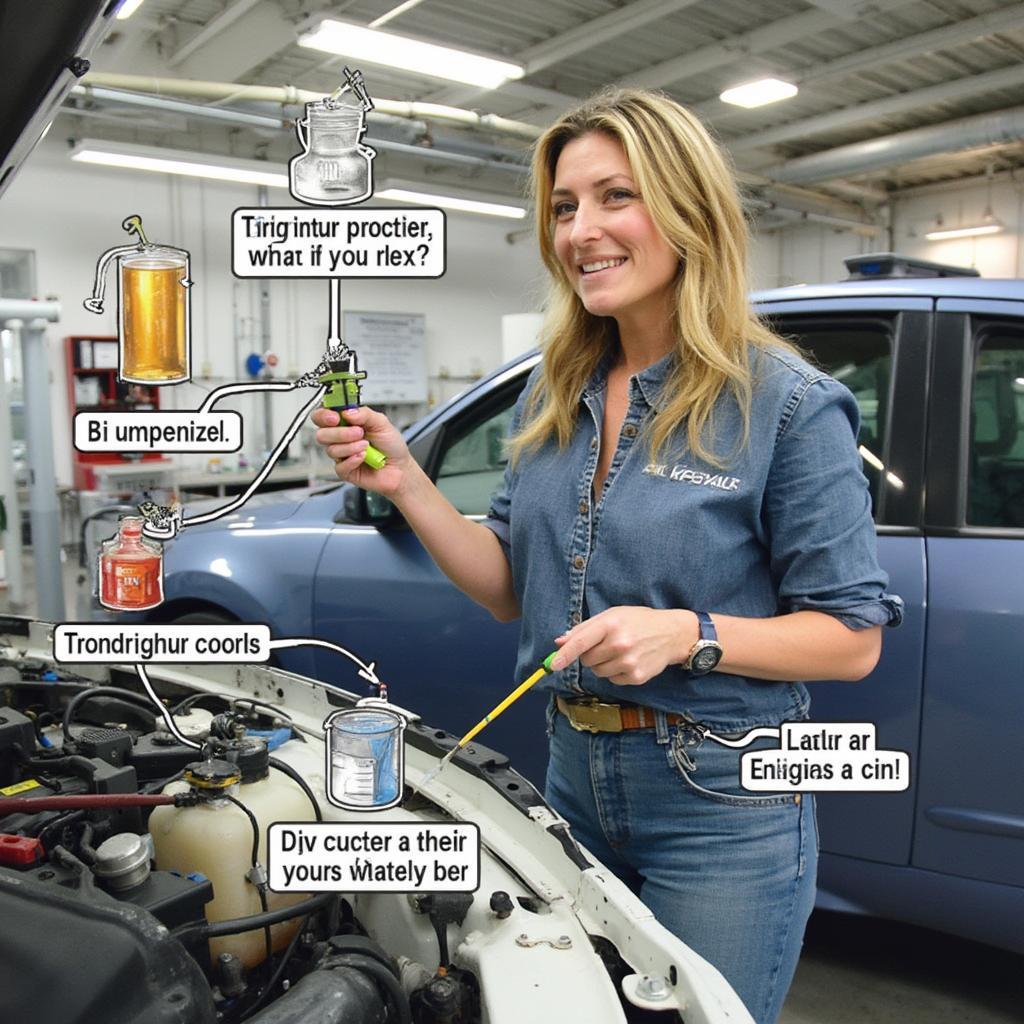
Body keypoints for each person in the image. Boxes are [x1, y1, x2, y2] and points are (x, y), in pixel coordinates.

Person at [312, 88, 902, 1024]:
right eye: (562, 207)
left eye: (614, 197)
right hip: (570, 775)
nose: (581, 230)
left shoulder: (787, 405)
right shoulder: (556, 390)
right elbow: (509, 589)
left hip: (724, 799)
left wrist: (686, 635)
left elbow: (851, 638)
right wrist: (409, 485)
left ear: (688, 211)